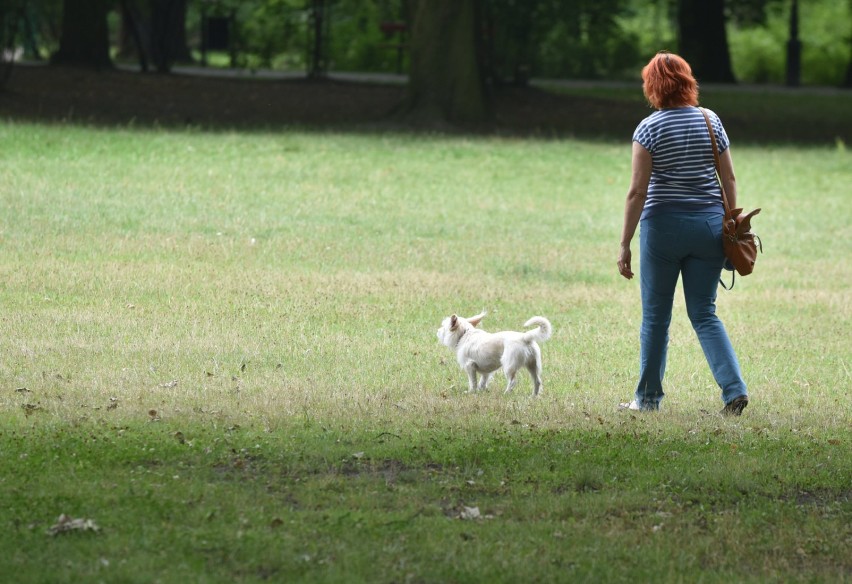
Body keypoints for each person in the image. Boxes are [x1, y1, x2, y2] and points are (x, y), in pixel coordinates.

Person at [616, 51, 749, 416]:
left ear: (653, 86)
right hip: (709, 227)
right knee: (705, 313)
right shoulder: (711, 120)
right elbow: (729, 178)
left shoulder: (649, 128)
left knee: (656, 318)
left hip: (662, 230)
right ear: (687, 82)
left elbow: (637, 191)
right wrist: (731, 221)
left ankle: (647, 400)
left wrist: (625, 243)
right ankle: (734, 390)